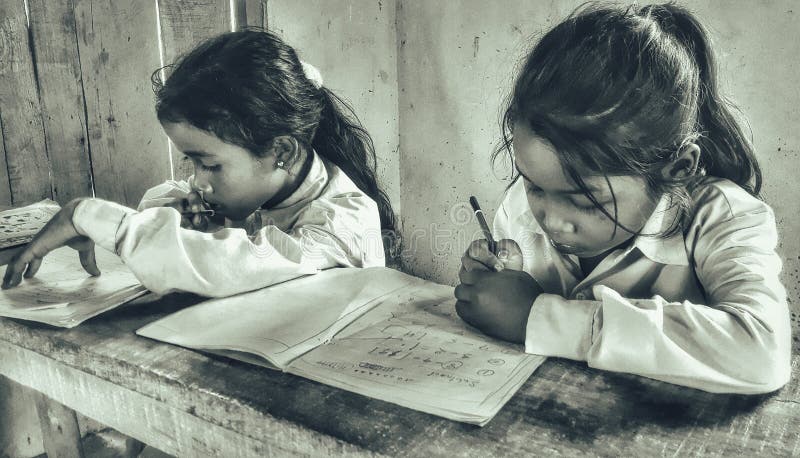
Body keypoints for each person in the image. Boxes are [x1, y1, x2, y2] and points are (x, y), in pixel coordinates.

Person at [454, 3, 790, 394]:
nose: (552, 220)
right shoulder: (519, 206)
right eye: (535, 186)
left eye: (583, 201)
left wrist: (540, 317)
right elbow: (510, 310)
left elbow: (761, 351)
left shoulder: (721, 216)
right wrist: (499, 280)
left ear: (677, 168)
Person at [2, 30, 395, 297]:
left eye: (210, 165)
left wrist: (89, 216)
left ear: (282, 152)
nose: (198, 182)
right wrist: (181, 217)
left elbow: (235, 264)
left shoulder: (343, 225)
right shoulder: (259, 188)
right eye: (191, 163)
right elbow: (170, 216)